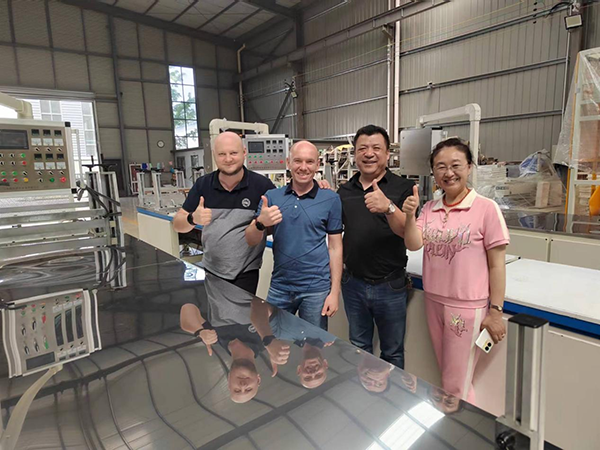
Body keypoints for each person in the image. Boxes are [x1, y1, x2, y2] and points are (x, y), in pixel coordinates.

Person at [402, 137, 509, 403]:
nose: (448, 173)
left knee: (455, 383)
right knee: (448, 374)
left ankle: (460, 423)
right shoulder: (431, 208)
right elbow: (414, 244)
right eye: (441, 167)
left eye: (455, 165)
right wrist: (409, 216)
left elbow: (497, 264)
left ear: (469, 167)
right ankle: (454, 419)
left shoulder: (486, 209)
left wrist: (496, 311)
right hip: (433, 300)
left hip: (466, 306)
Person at [337, 125, 415, 369]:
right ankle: (361, 393)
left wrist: (389, 207)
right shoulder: (344, 191)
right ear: (355, 154)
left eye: (376, 148)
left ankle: (393, 394)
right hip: (353, 284)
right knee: (358, 348)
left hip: (390, 285)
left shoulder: (403, 188)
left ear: (387, 153)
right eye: (362, 148)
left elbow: (408, 234)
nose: (369, 153)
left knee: (392, 352)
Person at [246, 141, 343, 330]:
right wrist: (260, 223)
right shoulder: (271, 197)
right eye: (298, 161)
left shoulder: (331, 199)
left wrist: (334, 292)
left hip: (316, 290)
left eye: (309, 161)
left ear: (317, 165)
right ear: (288, 162)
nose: (303, 167)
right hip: (280, 286)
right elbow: (250, 240)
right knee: (273, 340)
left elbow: (335, 247)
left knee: (314, 344)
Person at [173, 131, 275, 294]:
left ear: (244, 153)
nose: (228, 159)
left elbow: (282, 214)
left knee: (241, 310)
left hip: (246, 272)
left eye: (233, 153)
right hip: (211, 269)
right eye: (222, 154)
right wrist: (192, 219)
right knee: (213, 310)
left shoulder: (262, 186)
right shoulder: (203, 185)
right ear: (214, 155)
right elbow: (178, 225)